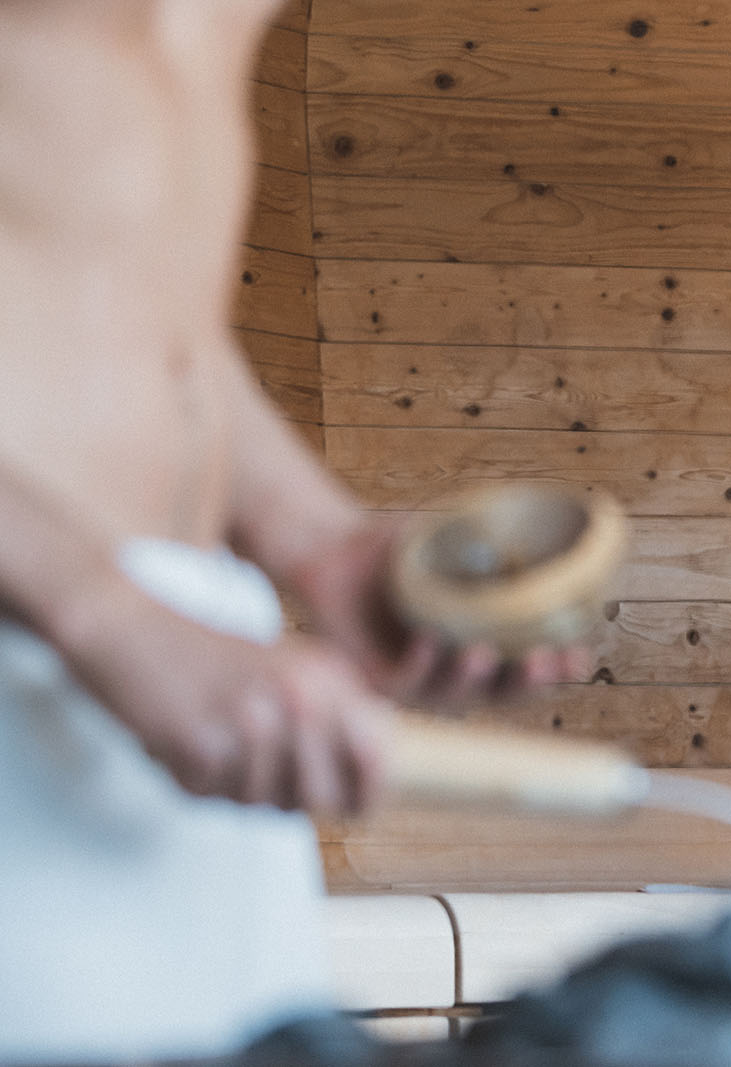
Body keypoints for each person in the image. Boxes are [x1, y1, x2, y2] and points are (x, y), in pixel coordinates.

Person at [0, 1, 587, 1060]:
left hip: (195, 662)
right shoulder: (100, 613)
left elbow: (118, 274)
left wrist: (315, 539)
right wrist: (97, 607)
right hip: (52, 624)